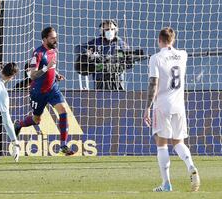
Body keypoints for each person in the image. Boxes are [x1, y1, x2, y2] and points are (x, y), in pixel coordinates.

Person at [143, 27, 200, 192]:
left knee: (162, 144)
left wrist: (147, 107)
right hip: (179, 106)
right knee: (178, 142)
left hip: (162, 105)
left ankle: (166, 183)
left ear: (158, 40)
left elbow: (153, 83)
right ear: (173, 40)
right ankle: (191, 166)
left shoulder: (156, 58)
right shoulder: (183, 55)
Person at [14, 26, 75, 156]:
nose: (55, 40)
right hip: (38, 92)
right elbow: (31, 75)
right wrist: (47, 68)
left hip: (53, 88)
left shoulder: (54, 50)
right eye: (52, 38)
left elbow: (52, 67)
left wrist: (56, 74)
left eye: (55, 37)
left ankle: (63, 144)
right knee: (37, 120)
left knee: (63, 111)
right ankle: (19, 124)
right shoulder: (38, 53)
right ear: (44, 39)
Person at [74, 20, 129, 90]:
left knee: (118, 98)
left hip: (117, 78)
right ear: (102, 31)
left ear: (116, 30)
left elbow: (128, 59)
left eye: (112, 29)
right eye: (107, 29)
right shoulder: (96, 42)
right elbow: (78, 48)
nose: (110, 31)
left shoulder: (121, 43)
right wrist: (89, 54)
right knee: (101, 98)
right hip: (100, 77)